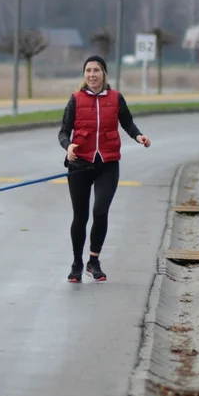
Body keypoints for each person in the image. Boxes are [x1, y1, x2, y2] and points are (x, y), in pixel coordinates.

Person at [58, 55, 151, 283]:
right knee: (80, 216)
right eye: (88, 70)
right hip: (79, 165)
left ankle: (94, 261)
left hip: (107, 165)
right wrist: (68, 146)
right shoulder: (76, 99)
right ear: (84, 75)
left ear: (104, 73)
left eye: (96, 70)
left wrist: (138, 136)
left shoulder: (116, 98)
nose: (92, 75)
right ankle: (77, 264)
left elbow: (127, 122)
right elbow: (63, 132)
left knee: (100, 211)